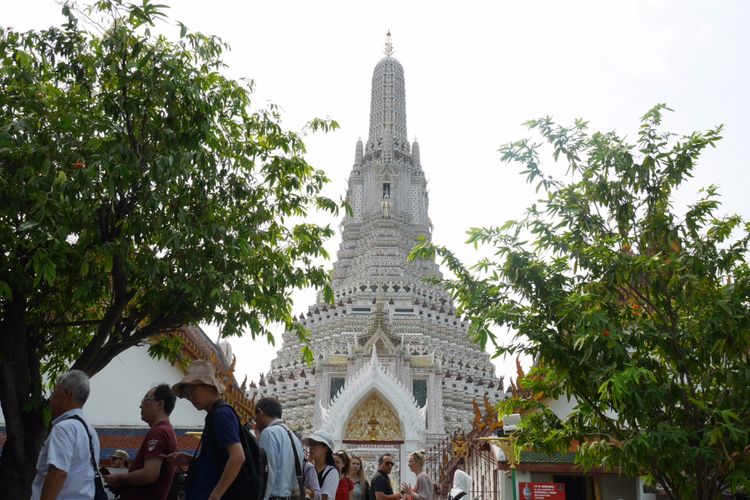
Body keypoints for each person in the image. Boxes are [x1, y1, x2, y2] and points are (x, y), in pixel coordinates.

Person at [168, 359, 245, 500]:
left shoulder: (221, 414)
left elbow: (238, 456)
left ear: (210, 386)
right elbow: (215, 461)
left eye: (193, 391)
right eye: (187, 394)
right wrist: (190, 459)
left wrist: (215, 496)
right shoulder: (214, 415)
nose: (190, 398)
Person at [32, 369, 101, 500]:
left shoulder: (63, 428)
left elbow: (58, 473)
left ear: (67, 394)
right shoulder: (90, 431)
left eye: (54, 392)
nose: (51, 398)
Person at [103, 384, 178, 500]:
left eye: (146, 399)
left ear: (160, 404)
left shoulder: (158, 432)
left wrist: (119, 479)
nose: (140, 405)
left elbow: (150, 474)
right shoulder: (168, 432)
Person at [254, 396, 304, 500]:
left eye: (255, 416)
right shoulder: (295, 438)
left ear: (260, 412)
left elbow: (267, 473)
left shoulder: (269, 433)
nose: (255, 421)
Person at [306, 431, 339, 500]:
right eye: (310, 443)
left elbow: (325, 498)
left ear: (326, 448)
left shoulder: (332, 472)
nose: (311, 447)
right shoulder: (309, 468)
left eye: (315, 444)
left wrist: (309, 493)